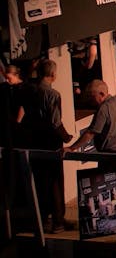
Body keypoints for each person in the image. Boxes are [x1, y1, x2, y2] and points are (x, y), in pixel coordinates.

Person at [19, 59, 73, 234]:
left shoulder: (27, 89)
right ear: (53, 75)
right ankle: (58, 222)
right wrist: (67, 138)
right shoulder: (53, 94)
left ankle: (44, 219)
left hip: (33, 142)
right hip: (50, 143)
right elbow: (55, 122)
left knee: (40, 181)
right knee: (55, 182)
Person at [65, 80, 116, 154]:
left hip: (111, 155)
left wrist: (71, 148)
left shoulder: (103, 109)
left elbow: (90, 133)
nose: (90, 100)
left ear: (101, 94)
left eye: (92, 96)